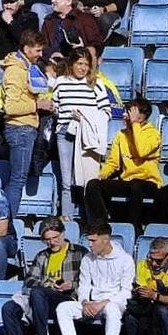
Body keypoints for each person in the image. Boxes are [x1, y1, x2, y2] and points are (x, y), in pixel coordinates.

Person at [84, 98, 168, 229]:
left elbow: (142, 151)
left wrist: (135, 124)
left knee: (136, 185)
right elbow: (113, 162)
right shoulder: (121, 135)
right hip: (128, 181)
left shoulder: (153, 134)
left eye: (129, 112)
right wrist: (102, 175)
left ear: (141, 116)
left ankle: (134, 227)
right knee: (93, 185)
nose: (124, 115)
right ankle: (101, 226)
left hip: (149, 183)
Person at [0, 218, 85, 335]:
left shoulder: (79, 253)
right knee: (8, 308)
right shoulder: (41, 256)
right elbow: (29, 281)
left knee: (38, 292)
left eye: (55, 238)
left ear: (63, 233)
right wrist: (49, 285)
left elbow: (89, 281)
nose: (52, 242)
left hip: (67, 298)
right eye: (47, 240)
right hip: (41, 299)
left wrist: (71, 285)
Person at [55, 222, 133, 335]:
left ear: (106, 239)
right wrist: (85, 302)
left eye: (93, 240)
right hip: (92, 303)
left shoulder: (125, 260)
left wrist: (103, 303)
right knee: (63, 308)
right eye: (89, 240)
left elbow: (126, 291)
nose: (90, 244)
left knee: (112, 310)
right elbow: (84, 285)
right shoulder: (87, 259)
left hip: (114, 302)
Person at [52, 49, 111, 221]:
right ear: (72, 64)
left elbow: (106, 112)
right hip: (65, 132)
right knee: (66, 179)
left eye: (86, 64)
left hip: (87, 135)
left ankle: (90, 219)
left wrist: (86, 117)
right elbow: (56, 108)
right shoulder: (60, 82)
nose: (83, 68)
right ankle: (67, 217)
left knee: (88, 178)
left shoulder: (96, 83)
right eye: (79, 63)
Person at [1, 32, 52, 219]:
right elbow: (11, 107)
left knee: (17, 178)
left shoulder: (25, 68)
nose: (40, 54)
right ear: (26, 48)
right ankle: (7, 222)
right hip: (20, 129)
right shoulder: (15, 72)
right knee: (18, 180)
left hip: (24, 128)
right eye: (37, 50)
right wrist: (37, 105)